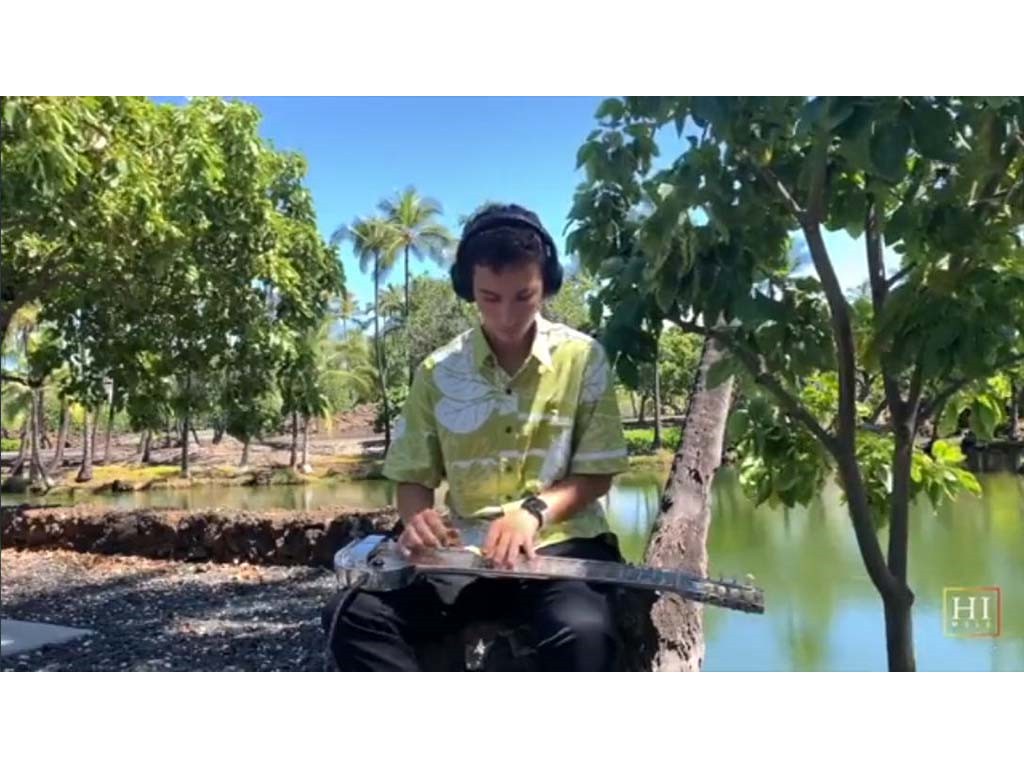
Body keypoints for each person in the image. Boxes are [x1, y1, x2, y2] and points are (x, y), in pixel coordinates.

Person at [322, 203, 630, 671]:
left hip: (561, 546)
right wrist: (417, 519)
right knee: (353, 615)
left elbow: (598, 473)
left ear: (547, 282)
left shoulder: (584, 358)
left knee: (583, 631)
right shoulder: (437, 372)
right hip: (462, 554)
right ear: (468, 288)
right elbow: (412, 477)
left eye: (523, 296)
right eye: (490, 297)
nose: (506, 315)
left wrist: (532, 514)